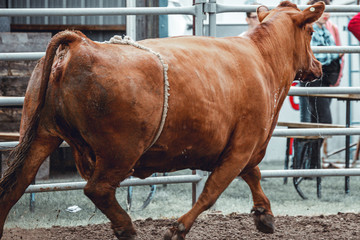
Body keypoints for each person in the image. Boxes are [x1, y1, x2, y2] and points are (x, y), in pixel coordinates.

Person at [295, 0, 343, 171]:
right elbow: (318, 57)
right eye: (322, 11)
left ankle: (309, 164)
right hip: (313, 79)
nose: (327, 14)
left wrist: (333, 57)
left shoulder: (325, 30)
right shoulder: (310, 29)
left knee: (316, 123)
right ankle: (304, 163)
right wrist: (333, 57)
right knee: (321, 122)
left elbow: (334, 52)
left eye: (328, 11)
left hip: (322, 79)